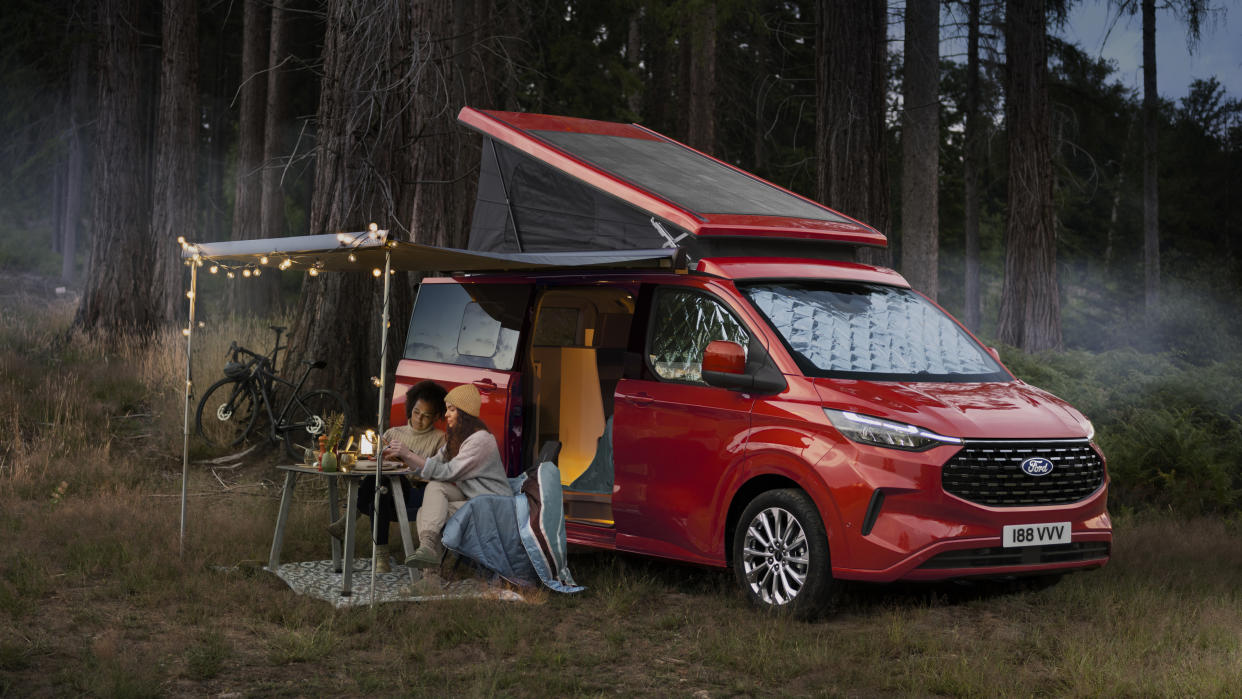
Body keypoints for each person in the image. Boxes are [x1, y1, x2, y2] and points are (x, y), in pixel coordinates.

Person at [382, 383, 510, 568]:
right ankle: (428, 551)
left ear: (464, 413)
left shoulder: (481, 440)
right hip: (471, 498)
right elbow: (434, 463)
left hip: (491, 504)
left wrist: (408, 454)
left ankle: (430, 573)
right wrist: (401, 458)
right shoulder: (458, 438)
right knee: (433, 493)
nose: (446, 414)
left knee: (426, 513)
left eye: (451, 410)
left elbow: (447, 472)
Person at [328, 380, 447, 573]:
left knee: (383, 483)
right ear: (410, 408)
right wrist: (376, 456)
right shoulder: (393, 433)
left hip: (417, 493)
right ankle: (381, 557)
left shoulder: (440, 438)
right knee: (380, 484)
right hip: (386, 494)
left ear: (435, 417)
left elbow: (437, 473)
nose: (419, 419)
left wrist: (405, 459)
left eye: (426, 416)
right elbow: (375, 460)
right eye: (416, 412)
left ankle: (350, 519)